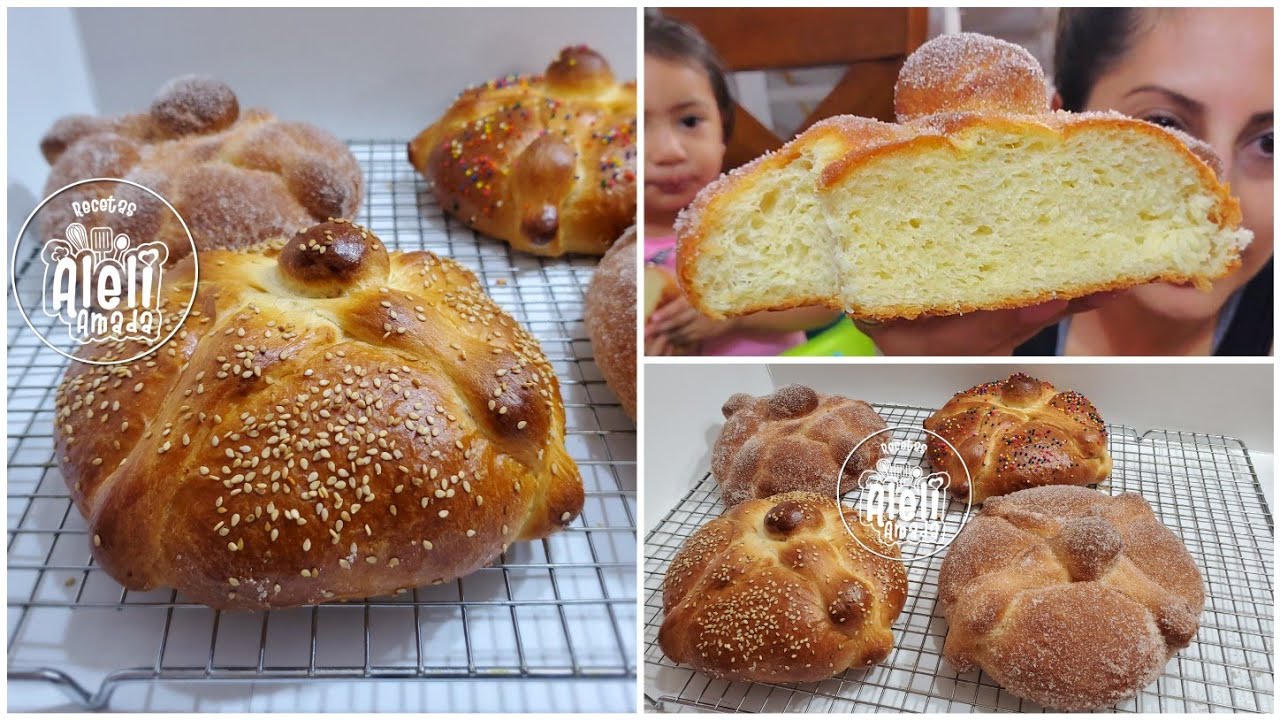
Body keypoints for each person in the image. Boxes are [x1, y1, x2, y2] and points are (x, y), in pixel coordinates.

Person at [860, 8, 1271, 355]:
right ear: (1060, 120)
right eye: (1163, 123)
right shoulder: (977, 296)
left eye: (1270, 143)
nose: (1221, 192)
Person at [643, 14, 839, 356]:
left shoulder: (759, 213)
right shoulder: (616, 254)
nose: (669, 152)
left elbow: (828, 301)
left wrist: (734, 314)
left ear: (723, 129)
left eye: (690, 121)